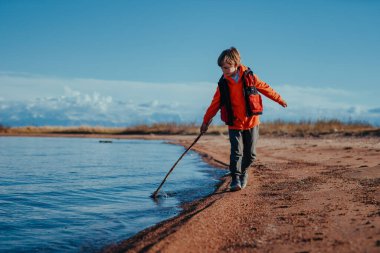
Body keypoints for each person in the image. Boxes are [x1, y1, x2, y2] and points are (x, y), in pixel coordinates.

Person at [200, 47, 287, 191]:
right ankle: (235, 179)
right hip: (235, 124)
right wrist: (205, 122)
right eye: (222, 68)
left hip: (252, 122)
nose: (224, 71)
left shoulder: (250, 77)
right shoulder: (223, 85)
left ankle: (243, 172)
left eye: (227, 67)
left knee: (251, 155)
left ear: (236, 63)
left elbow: (265, 88)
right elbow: (214, 105)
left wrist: (279, 99)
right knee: (236, 153)